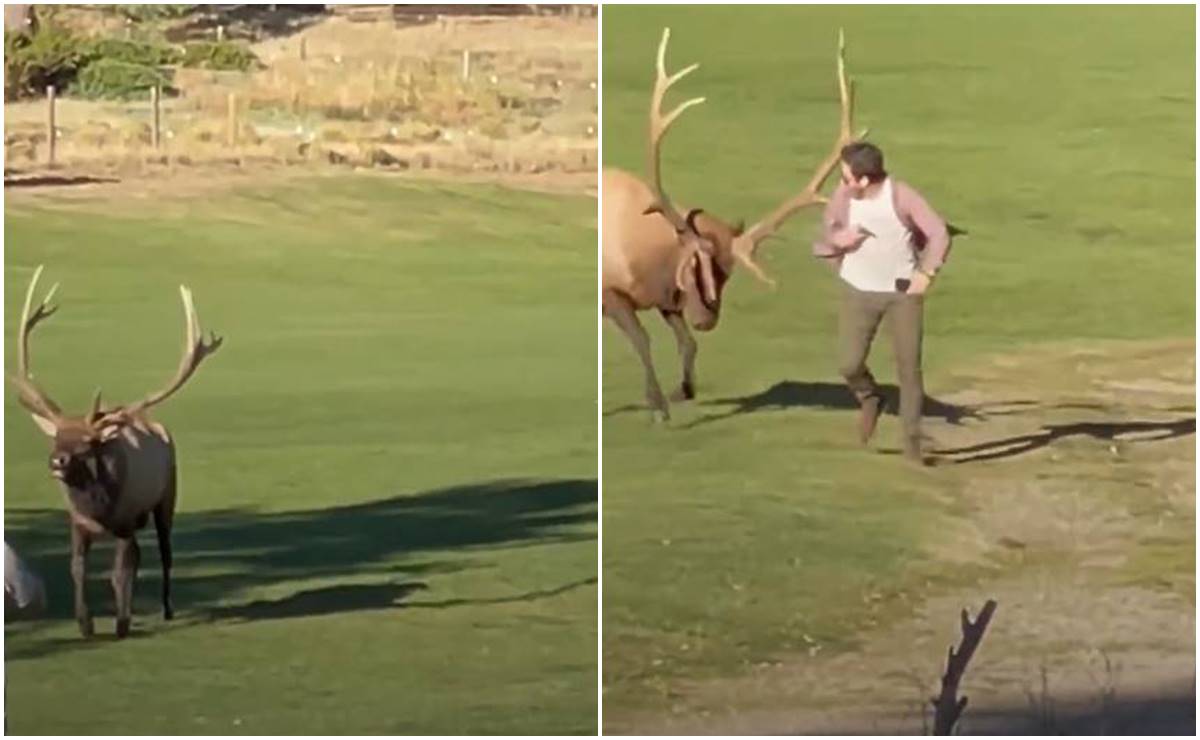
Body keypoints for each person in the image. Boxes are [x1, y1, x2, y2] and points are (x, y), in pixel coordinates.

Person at [812, 141, 951, 465]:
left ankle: (912, 447)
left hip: (901, 296)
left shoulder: (901, 197)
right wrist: (839, 239)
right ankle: (869, 396)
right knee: (849, 363)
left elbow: (939, 233)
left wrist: (927, 273)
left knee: (909, 371)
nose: (842, 184)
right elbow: (829, 227)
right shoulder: (844, 197)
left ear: (864, 179)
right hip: (858, 291)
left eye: (847, 178)